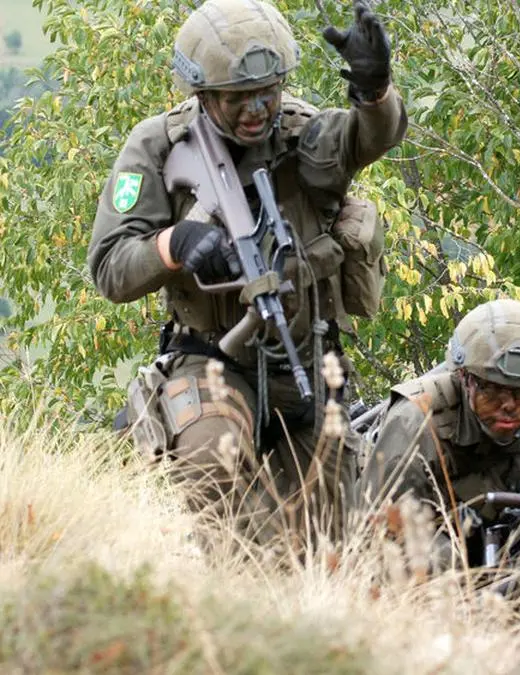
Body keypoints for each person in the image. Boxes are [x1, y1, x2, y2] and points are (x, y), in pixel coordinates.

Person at [89, 0, 406, 551]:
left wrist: (374, 91)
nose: (258, 109)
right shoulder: (158, 147)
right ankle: (234, 605)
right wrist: (173, 244)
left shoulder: (302, 133)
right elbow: (111, 269)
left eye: (269, 92)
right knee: (213, 463)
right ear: (203, 94)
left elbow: (369, 137)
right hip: (212, 357)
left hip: (308, 362)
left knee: (329, 539)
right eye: (239, 98)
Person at [360, 298, 520, 574]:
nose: (509, 405)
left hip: (509, 557)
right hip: (429, 550)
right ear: (465, 379)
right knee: (439, 561)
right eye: (493, 390)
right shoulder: (415, 422)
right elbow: (379, 527)